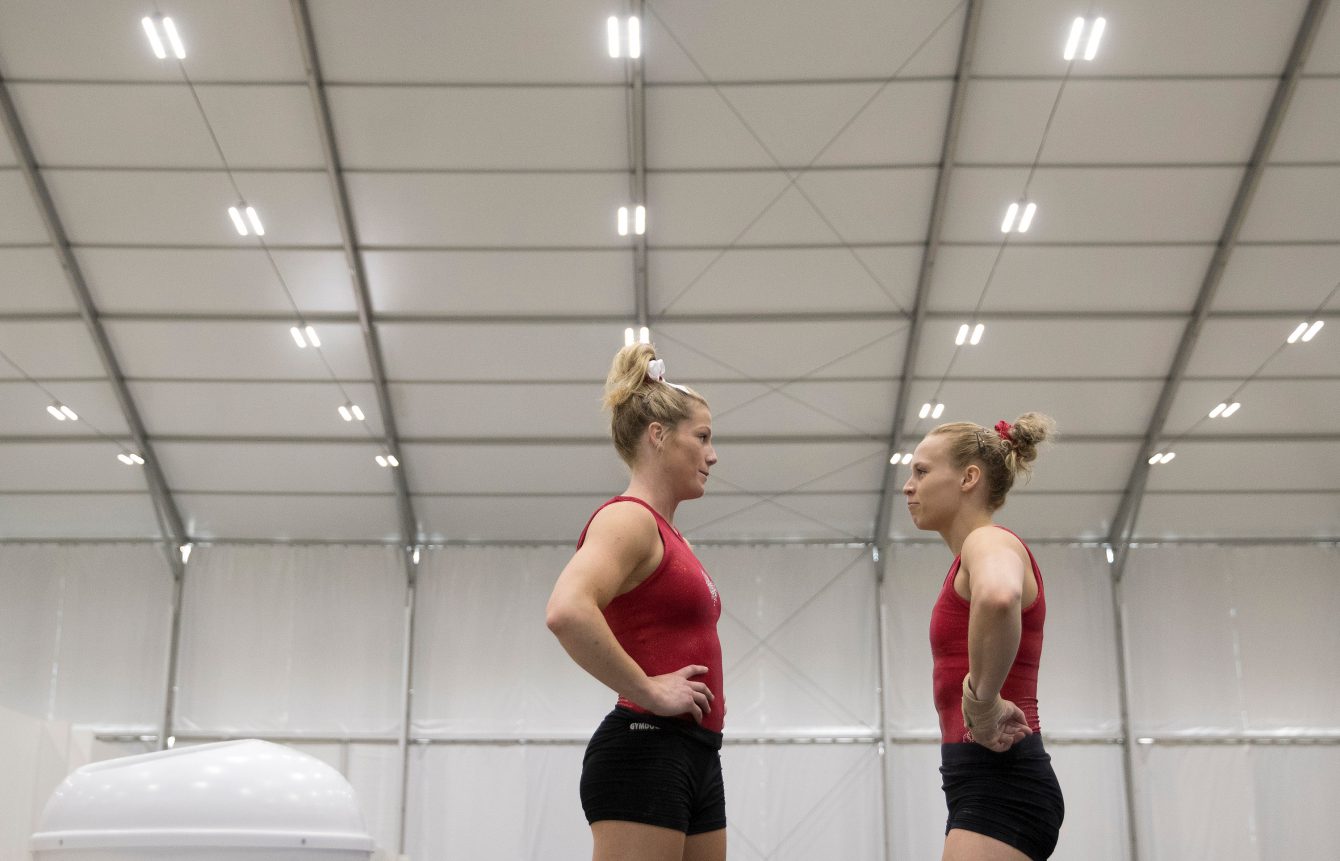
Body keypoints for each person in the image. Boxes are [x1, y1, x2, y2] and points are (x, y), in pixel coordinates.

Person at [546, 342, 726, 861]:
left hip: (696, 752)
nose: (713, 455)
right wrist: (647, 690)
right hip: (646, 746)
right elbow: (567, 610)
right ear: (658, 436)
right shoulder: (628, 519)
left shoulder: (673, 539)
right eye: (703, 437)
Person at [903, 414, 1065, 861]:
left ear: (969, 478)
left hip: (1002, 780)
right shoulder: (971, 555)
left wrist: (982, 703)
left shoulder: (988, 541)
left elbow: (999, 596)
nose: (908, 486)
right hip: (980, 778)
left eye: (921, 471)